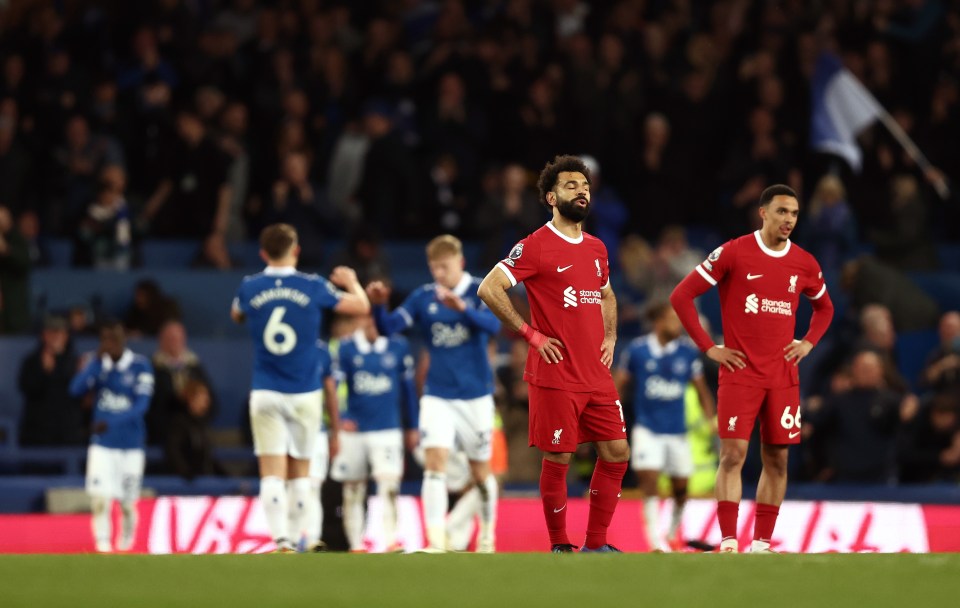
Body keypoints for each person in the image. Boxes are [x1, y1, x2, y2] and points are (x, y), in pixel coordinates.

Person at [669, 184, 834, 553]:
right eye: (781, 211)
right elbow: (681, 295)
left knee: (777, 459)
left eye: (793, 213)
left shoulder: (804, 262)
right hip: (740, 373)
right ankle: (728, 541)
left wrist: (807, 343)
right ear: (763, 212)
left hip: (783, 376)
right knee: (732, 456)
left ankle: (761, 544)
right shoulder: (734, 251)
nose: (788, 219)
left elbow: (826, 308)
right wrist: (709, 348)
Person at [477, 154, 630, 553]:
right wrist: (531, 334)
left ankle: (596, 544)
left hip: (596, 372)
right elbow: (490, 288)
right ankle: (561, 544)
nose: (581, 191)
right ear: (550, 197)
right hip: (556, 371)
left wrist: (610, 335)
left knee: (617, 453)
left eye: (585, 186)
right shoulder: (536, 245)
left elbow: (607, 294)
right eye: (571, 185)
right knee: (560, 456)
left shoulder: (597, 248)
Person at [231, 223, 369, 552]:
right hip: (305, 392)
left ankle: (281, 540)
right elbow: (361, 307)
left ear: (263, 253)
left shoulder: (250, 286)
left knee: (272, 471)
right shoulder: (312, 285)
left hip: (265, 390)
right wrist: (351, 282)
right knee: (302, 472)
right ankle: (298, 539)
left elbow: (236, 314)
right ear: (296, 250)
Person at [367, 234, 500, 553]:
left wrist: (463, 309)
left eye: (445, 267)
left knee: (481, 470)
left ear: (460, 262)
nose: (439, 274)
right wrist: (378, 307)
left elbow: (495, 327)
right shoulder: (423, 297)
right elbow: (389, 328)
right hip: (437, 395)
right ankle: (436, 540)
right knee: (434, 462)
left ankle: (487, 536)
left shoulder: (481, 290)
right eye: (434, 268)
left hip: (475, 395)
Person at [613, 301, 716, 552]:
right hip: (647, 429)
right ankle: (654, 540)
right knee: (649, 482)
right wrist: (610, 416)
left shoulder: (687, 353)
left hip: (677, 432)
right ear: (658, 323)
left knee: (681, 487)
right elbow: (618, 384)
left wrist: (711, 418)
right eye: (672, 319)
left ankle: (671, 531)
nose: (677, 325)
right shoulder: (637, 351)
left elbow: (701, 390)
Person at [329, 313, 417, 552]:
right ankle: (356, 544)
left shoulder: (398, 346)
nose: (370, 323)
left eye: (374, 318)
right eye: (366, 318)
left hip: (387, 429)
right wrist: (340, 420)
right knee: (353, 490)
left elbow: (408, 390)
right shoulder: (346, 348)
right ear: (358, 320)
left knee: (389, 485)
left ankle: (390, 540)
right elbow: (334, 387)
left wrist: (413, 425)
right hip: (355, 431)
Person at [68, 320, 154, 553]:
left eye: (114, 339)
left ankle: (126, 542)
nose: (110, 344)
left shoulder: (140, 366)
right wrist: (95, 362)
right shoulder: (97, 364)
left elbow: (142, 406)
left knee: (127, 504)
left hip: (130, 445)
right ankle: (102, 546)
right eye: (105, 339)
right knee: (99, 499)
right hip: (102, 445)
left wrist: (110, 422)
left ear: (122, 340)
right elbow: (75, 390)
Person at [299, 339, 341, 552]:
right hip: (291, 429)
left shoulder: (322, 352)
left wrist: (335, 432)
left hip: (316, 430)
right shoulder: (283, 346)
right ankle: (290, 538)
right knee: (296, 485)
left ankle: (312, 539)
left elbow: (331, 393)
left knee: (313, 486)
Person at [17, 315, 84, 446]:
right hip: (37, 435)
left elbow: (79, 396)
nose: (55, 337)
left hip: (68, 435)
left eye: (60, 332)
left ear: (66, 335)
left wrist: (83, 375)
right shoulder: (32, 362)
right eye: (51, 332)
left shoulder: (76, 363)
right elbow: (28, 389)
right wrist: (44, 372)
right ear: (43, 335)